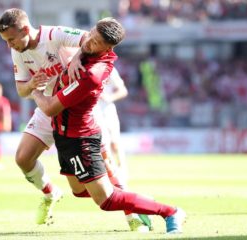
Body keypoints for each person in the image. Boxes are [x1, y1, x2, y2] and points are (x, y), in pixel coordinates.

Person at [0, 8, 151, 231]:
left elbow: (89, 38)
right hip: (49, 105)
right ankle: (49, 192)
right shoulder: (17, 50)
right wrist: (32, 86)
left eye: (10, 39)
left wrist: (78, 56)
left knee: (106, 164)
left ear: (25, 30)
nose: (8, 45)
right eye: (5, 40)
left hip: (79, 109)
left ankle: (132, 214)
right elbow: (21, 88)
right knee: (22, 158)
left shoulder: (55, 35)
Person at [31, 17, 186, 234]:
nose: (89, 41)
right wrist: (78, 55)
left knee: (106, 200)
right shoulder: (92, 46)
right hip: (64, 136)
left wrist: (34, 89)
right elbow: (86, 41)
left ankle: (170, 212)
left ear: (107, 48)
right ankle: (136, 201)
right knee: (78, 190)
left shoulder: (92, 76)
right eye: (91, 33)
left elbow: (49, 108)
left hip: (80, 139)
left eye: (95, 42)